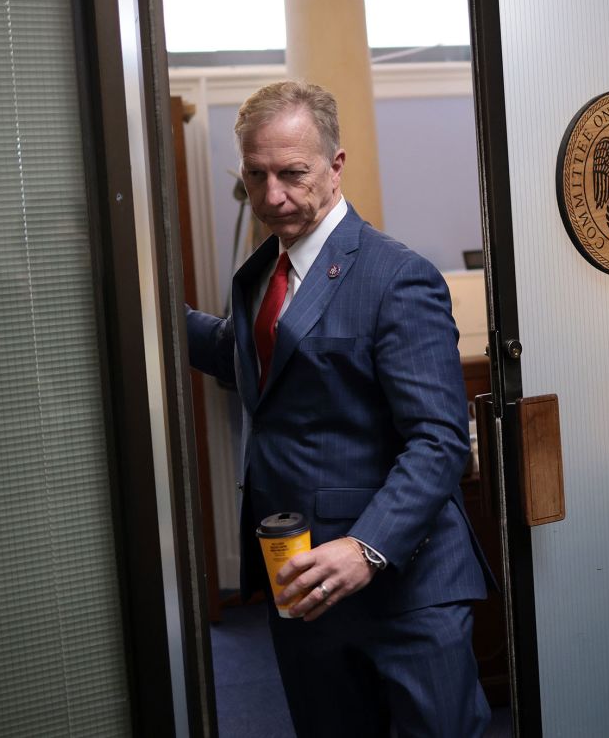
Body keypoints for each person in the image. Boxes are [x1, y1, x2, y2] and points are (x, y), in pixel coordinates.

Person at [186, 81, 494, 737]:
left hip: (404, 591)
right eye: (256, 175)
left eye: (292, 173)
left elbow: (439, 439)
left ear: (335, 164)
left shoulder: (397, 276)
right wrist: (149, 304)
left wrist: (367, 546)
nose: (272, 196)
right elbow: (245, 356)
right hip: (302, 585)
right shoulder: (261, 273)